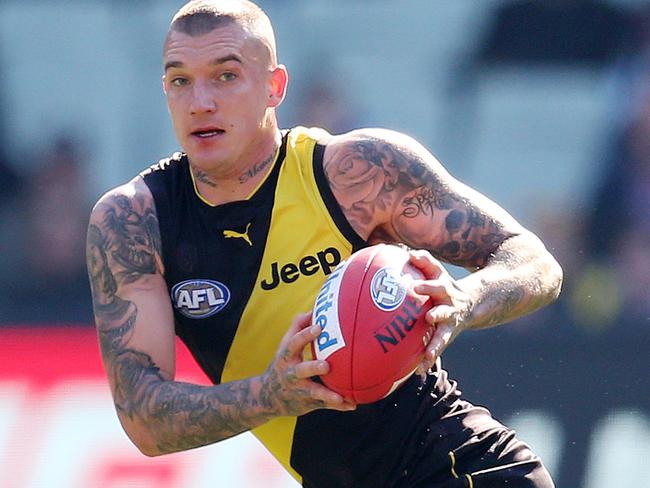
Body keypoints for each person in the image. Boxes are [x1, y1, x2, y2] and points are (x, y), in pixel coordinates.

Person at [85, 1, 563, 487]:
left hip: (463, 468)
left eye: (225, 76)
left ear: (275, 87)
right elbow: (143, 419)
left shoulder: (357, 174)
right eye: (180, 80)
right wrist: (270, 395)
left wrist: (466, 300)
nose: (200, 101)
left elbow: (535, 263)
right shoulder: (134, 223)